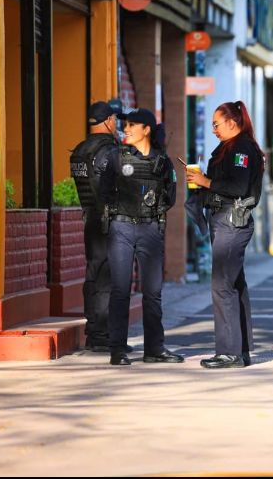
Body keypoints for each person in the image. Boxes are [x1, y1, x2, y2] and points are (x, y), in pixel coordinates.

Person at [99, 108, 183, 366]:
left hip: (150, 230)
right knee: (121, 290)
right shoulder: (115, 157)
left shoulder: (163, 162)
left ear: (146, 129)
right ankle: (118, 350)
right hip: (121, 229)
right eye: (126, 124)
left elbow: (170, 197)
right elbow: (103, 192)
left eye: (132, 124)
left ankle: (154, 349)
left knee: (153, 292)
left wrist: (150, 212)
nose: (127, 128)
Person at [186, 101, 264, 369]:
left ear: (233, 122)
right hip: (223, 219)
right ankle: (239, 350)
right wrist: (201, 181)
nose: (214, 130)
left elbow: (239, 186)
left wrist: (206, 182)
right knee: (233, 285)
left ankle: (229, 352)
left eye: (217, 124)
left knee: (222, 285)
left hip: (233, 220)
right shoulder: (228, 148)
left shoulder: (242, 148)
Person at [70, 101, 126, 353]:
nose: (117, 123)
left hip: (90, 218)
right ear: (108, 121)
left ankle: (94, 330)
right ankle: (102, 334)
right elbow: (116, 187)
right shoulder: (109, 151)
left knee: (93, 272)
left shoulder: (80, 151)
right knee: (106, 276)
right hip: (108, 221)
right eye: (115, 119)